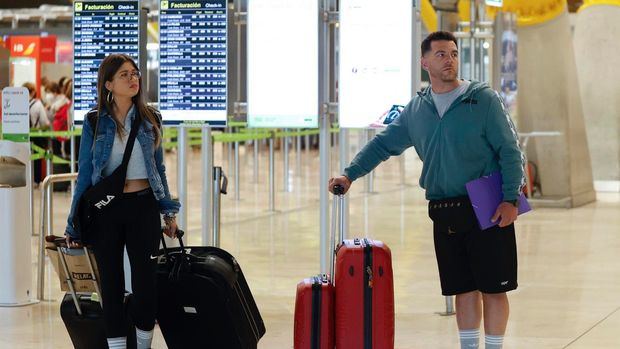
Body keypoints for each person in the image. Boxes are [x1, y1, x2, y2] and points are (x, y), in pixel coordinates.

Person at [329, 31, 525, 349]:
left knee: (493, 286)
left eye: (453, 53)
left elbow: (510, 150)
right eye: (441, 54)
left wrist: (510, 198)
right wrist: (350, 174)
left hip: (487, 200)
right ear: (424, 62)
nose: (449, 60)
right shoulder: (416, 111)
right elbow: (383, 145)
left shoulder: (482, 99)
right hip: (444, 206)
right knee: (462, 287)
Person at [65, 53, 180, 349]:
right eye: (124, 75)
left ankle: (143, 345)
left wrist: (168, 213)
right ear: (108, 84)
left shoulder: (150, 119)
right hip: (107, 211)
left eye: (135, 73)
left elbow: (158, 170)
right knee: (112, 285)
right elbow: (87, 175)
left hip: (143, 207)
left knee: (145, 286)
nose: (133, 79)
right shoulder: (94, 121)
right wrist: (74, 224)